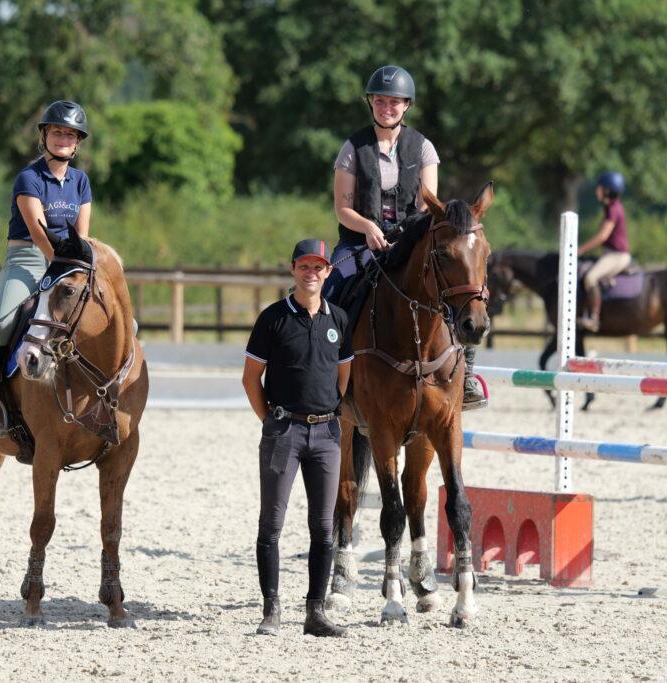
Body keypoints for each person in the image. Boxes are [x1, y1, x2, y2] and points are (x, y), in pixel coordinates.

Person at [322, 64, 486, 410]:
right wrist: (368, 228)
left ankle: (466, 375)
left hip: (408, 241)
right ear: (371, 103)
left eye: (394, 102)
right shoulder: (353, 147)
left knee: (456, 280)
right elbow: (342, 207)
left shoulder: (423, 148)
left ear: (406, 105)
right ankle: (323, 376)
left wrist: (402, 238)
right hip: (358, 242)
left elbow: (427, 206)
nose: (387, 108)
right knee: (330, 286)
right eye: (380, 101)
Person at [242, 239, 352, 638]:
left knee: (324, 527)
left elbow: (343, 375)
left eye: (318, 267)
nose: (311, 274)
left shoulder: (337, 319)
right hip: (284, 430)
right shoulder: (273, 318)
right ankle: (271, 610)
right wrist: (271, 419)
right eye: (304, 266)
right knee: (271, 523)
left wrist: (328, 410)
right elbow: (251, 378)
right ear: (293, 270)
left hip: (326, 434)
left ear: (327, 273)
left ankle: (315, 612)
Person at [0, 100, 93, 433]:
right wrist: (61, 263)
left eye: (70, 134)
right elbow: (38, 233)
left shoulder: (81, 182)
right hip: (28, 258)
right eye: (56, 132)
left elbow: (81, 237)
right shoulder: (30, 177)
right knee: (6, 323)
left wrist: (77, 268)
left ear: (78, 142)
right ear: (44, 136)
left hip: (67, 262)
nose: (63, 139)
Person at [578, 171, 630, 332]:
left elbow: (602, 236)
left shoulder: (613, 208)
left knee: (590, 277)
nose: (597, 191)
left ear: (607, 190)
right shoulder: (612, 207)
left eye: (600, 188)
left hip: (617, 256)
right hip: (611, 254)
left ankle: (594, 319)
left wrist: (579, 250)